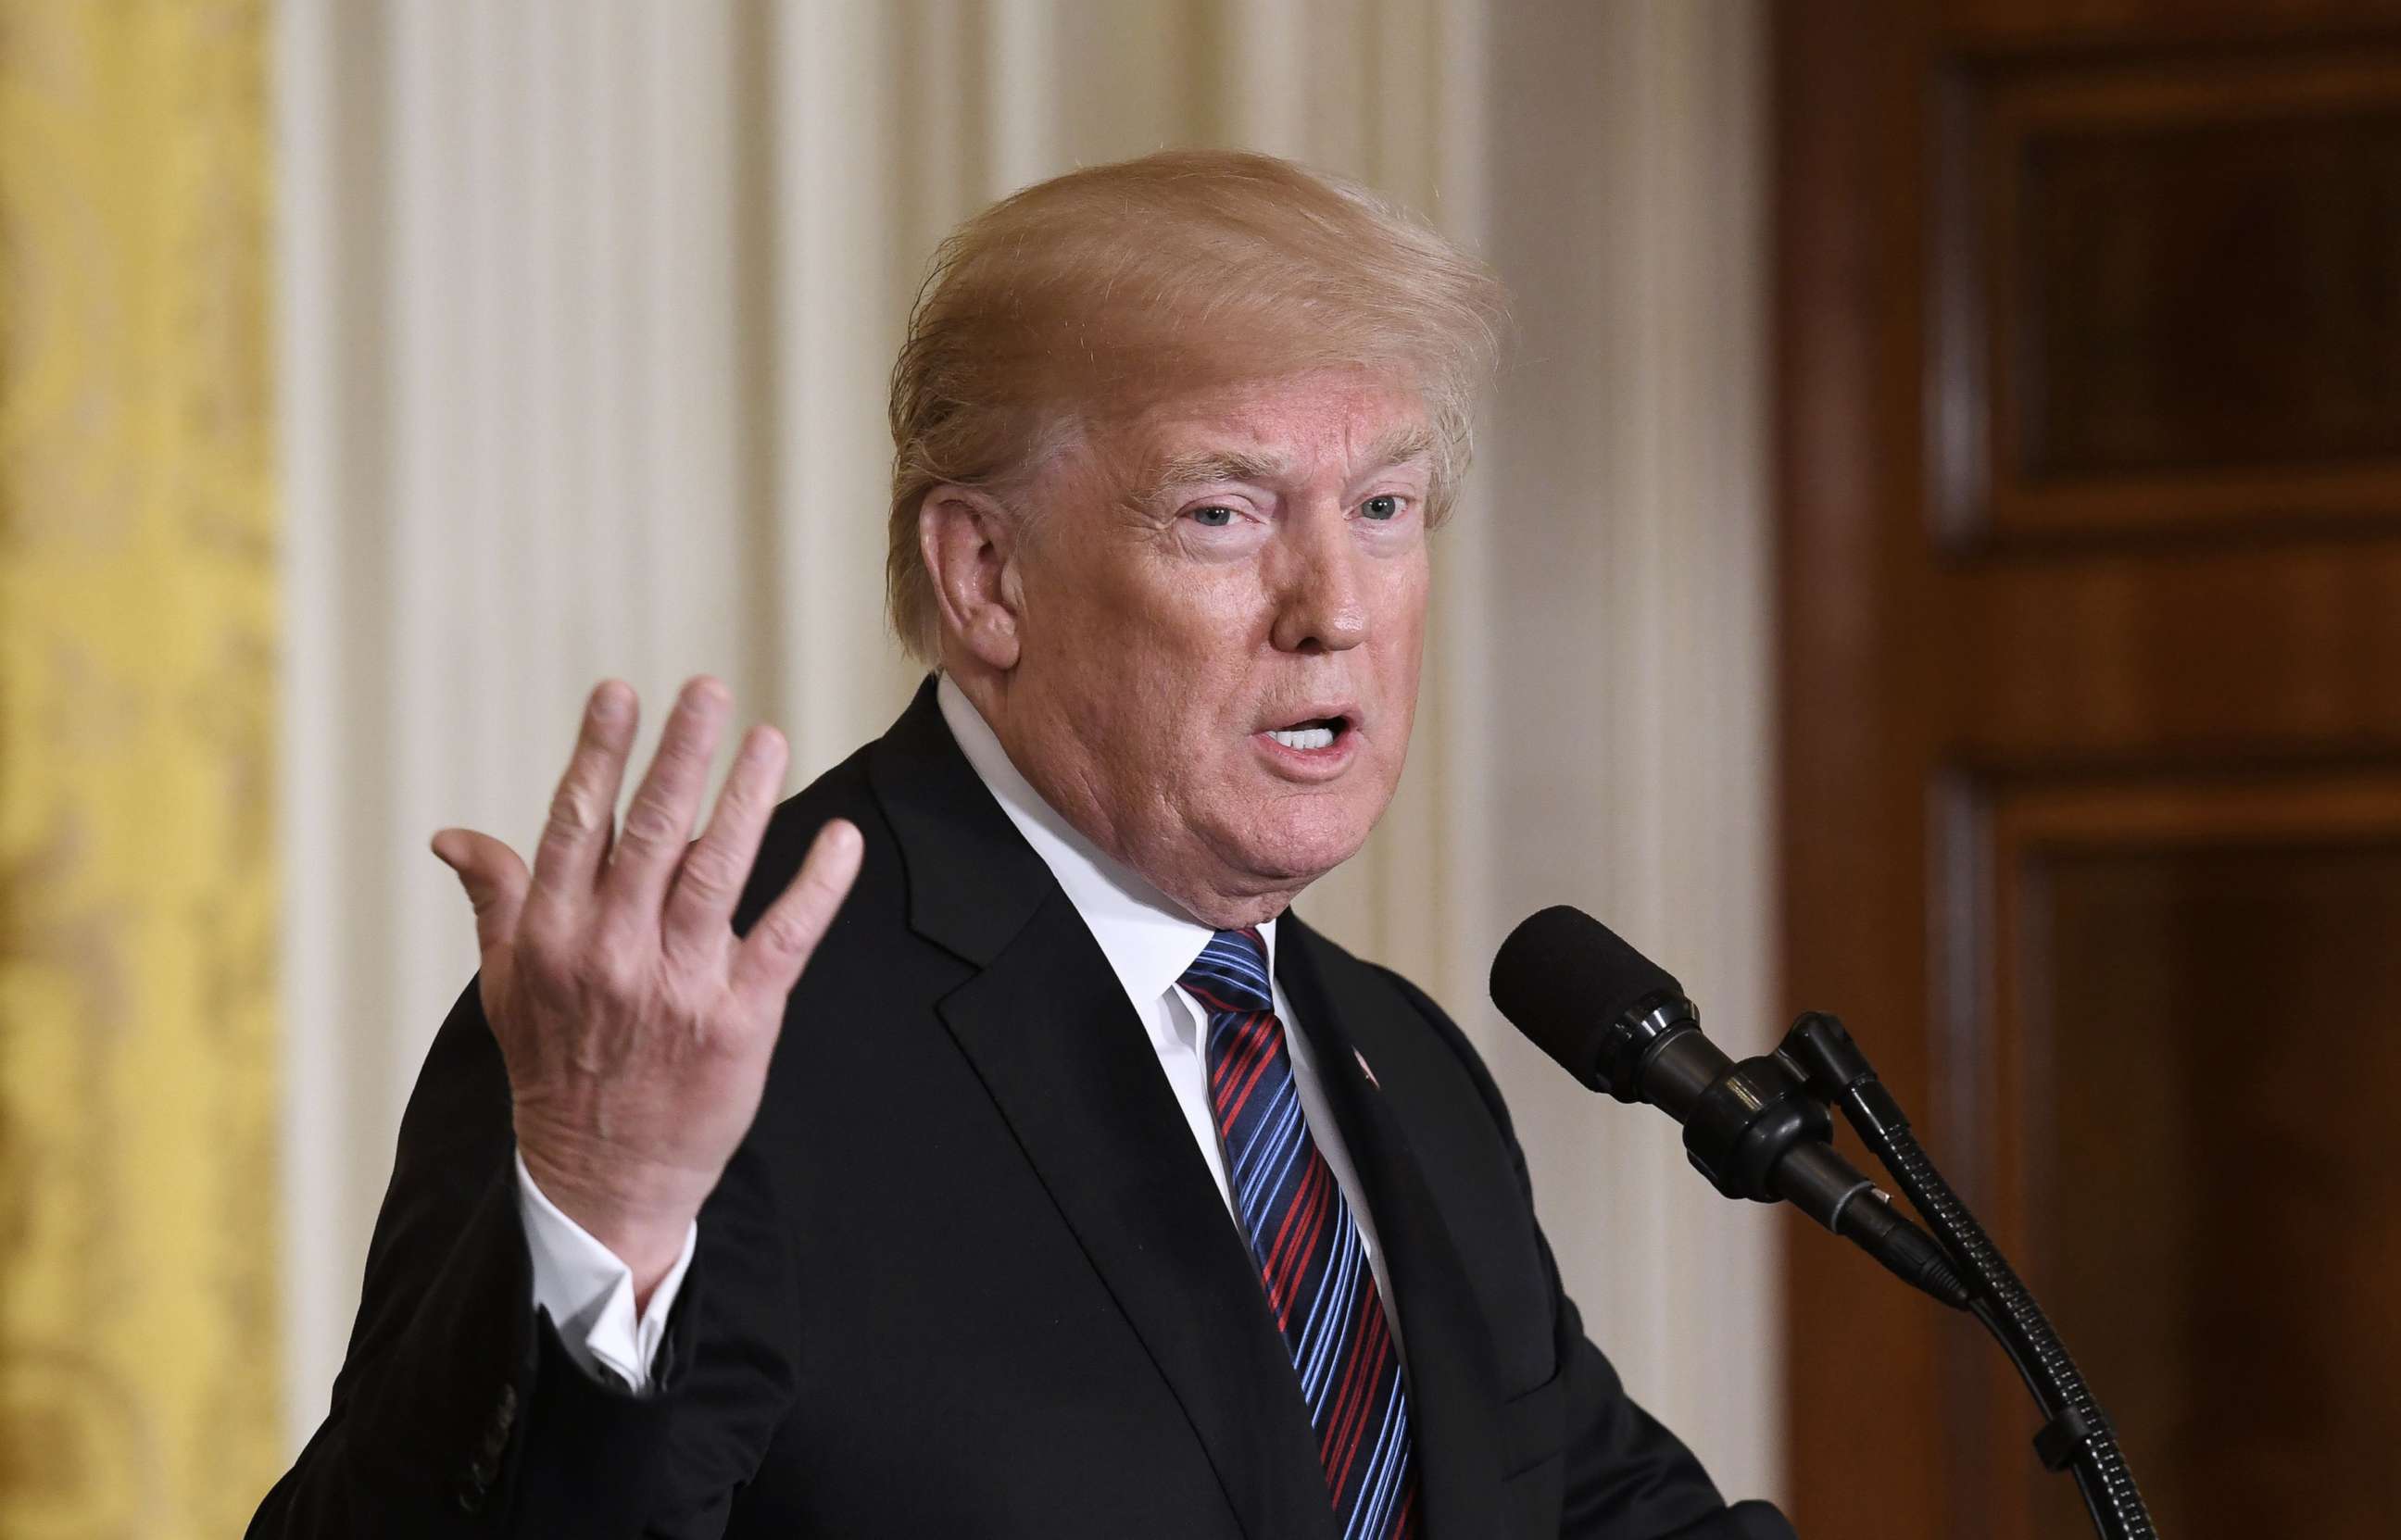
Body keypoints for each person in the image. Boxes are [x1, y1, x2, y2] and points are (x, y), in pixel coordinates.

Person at [251, 149, 1795, 1539]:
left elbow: (1601, 1515)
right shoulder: (693, 1032)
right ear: (985, 573)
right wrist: (601, 1221)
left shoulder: (1406, 1065)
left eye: (1385, 506)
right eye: (1223, 514)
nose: (1336, 608)